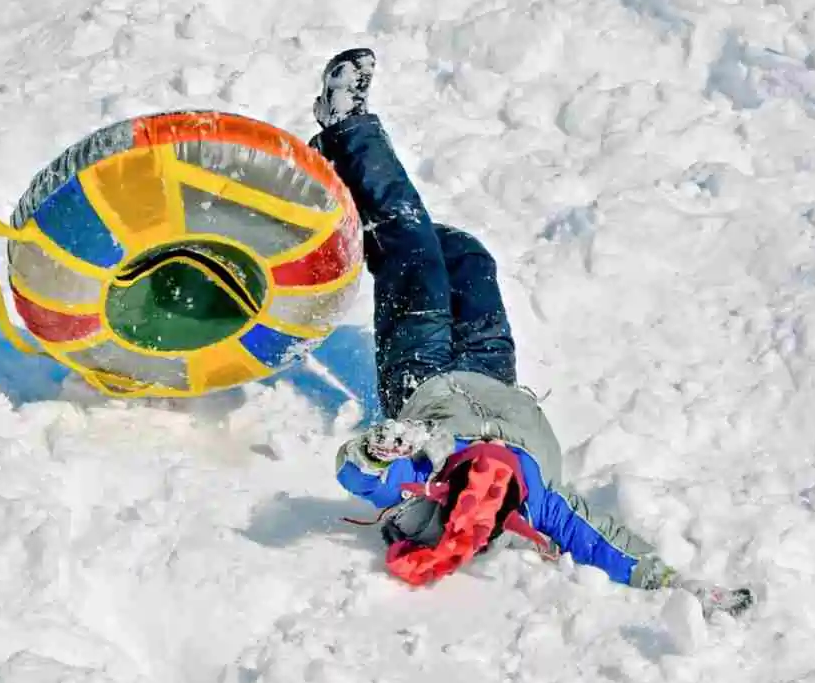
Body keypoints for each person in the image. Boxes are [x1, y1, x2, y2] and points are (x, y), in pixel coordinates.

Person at [311, 47, 753, 616]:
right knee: (467, 256)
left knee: (414, 248)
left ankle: (345, 123)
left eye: (479, 470)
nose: (493, 460)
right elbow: (611, 549)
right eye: (501, 472)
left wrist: (376, 449)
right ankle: (351, 183)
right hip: (492, 366)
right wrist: (681, 587)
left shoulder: (424, 473)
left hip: (421, 373)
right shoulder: (543, 500)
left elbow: (358, 474)